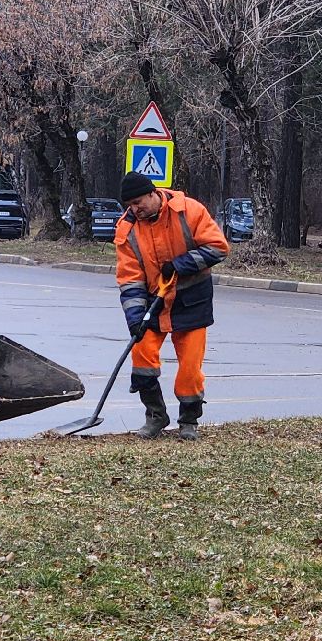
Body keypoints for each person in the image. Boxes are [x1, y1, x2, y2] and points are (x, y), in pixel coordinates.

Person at [113, 170, 230, 440]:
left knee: (190, 367)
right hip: (154, 301)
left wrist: (180, 264)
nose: (135, 209)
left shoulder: (189, 211)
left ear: (153, 193)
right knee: (142, 357)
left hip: (192, 300)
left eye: (138, 202)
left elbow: (218, 247)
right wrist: (135, 318)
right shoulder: (127, 229)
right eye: (130, 205)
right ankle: (156, 415)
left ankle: (189, 421)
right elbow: (130, 279)